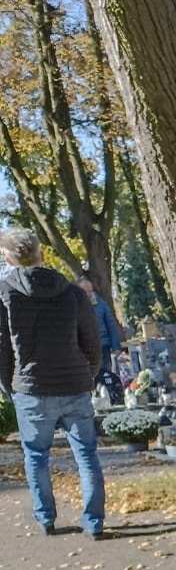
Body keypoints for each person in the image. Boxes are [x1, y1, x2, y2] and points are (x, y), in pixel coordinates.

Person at [0, 228, 106, 538]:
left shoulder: (5, 294)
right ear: (42, 255)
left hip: (31, 388)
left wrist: (9, 387)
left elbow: (2, 348)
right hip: (74, 384)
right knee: (86, 454)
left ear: (8, 259)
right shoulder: (73, 293)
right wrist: (88, 375)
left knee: (36, 456)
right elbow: (92, 341)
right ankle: (94, 521)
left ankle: (46, 518)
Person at [78, 275, 122, 359]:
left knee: (104, 371)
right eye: (85, 292)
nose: (88, 294)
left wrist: (116, 347)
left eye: (90, 291)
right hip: (82, 350)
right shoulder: (73, 306)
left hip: (103, 347)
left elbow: (111, 325)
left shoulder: (101, 304)